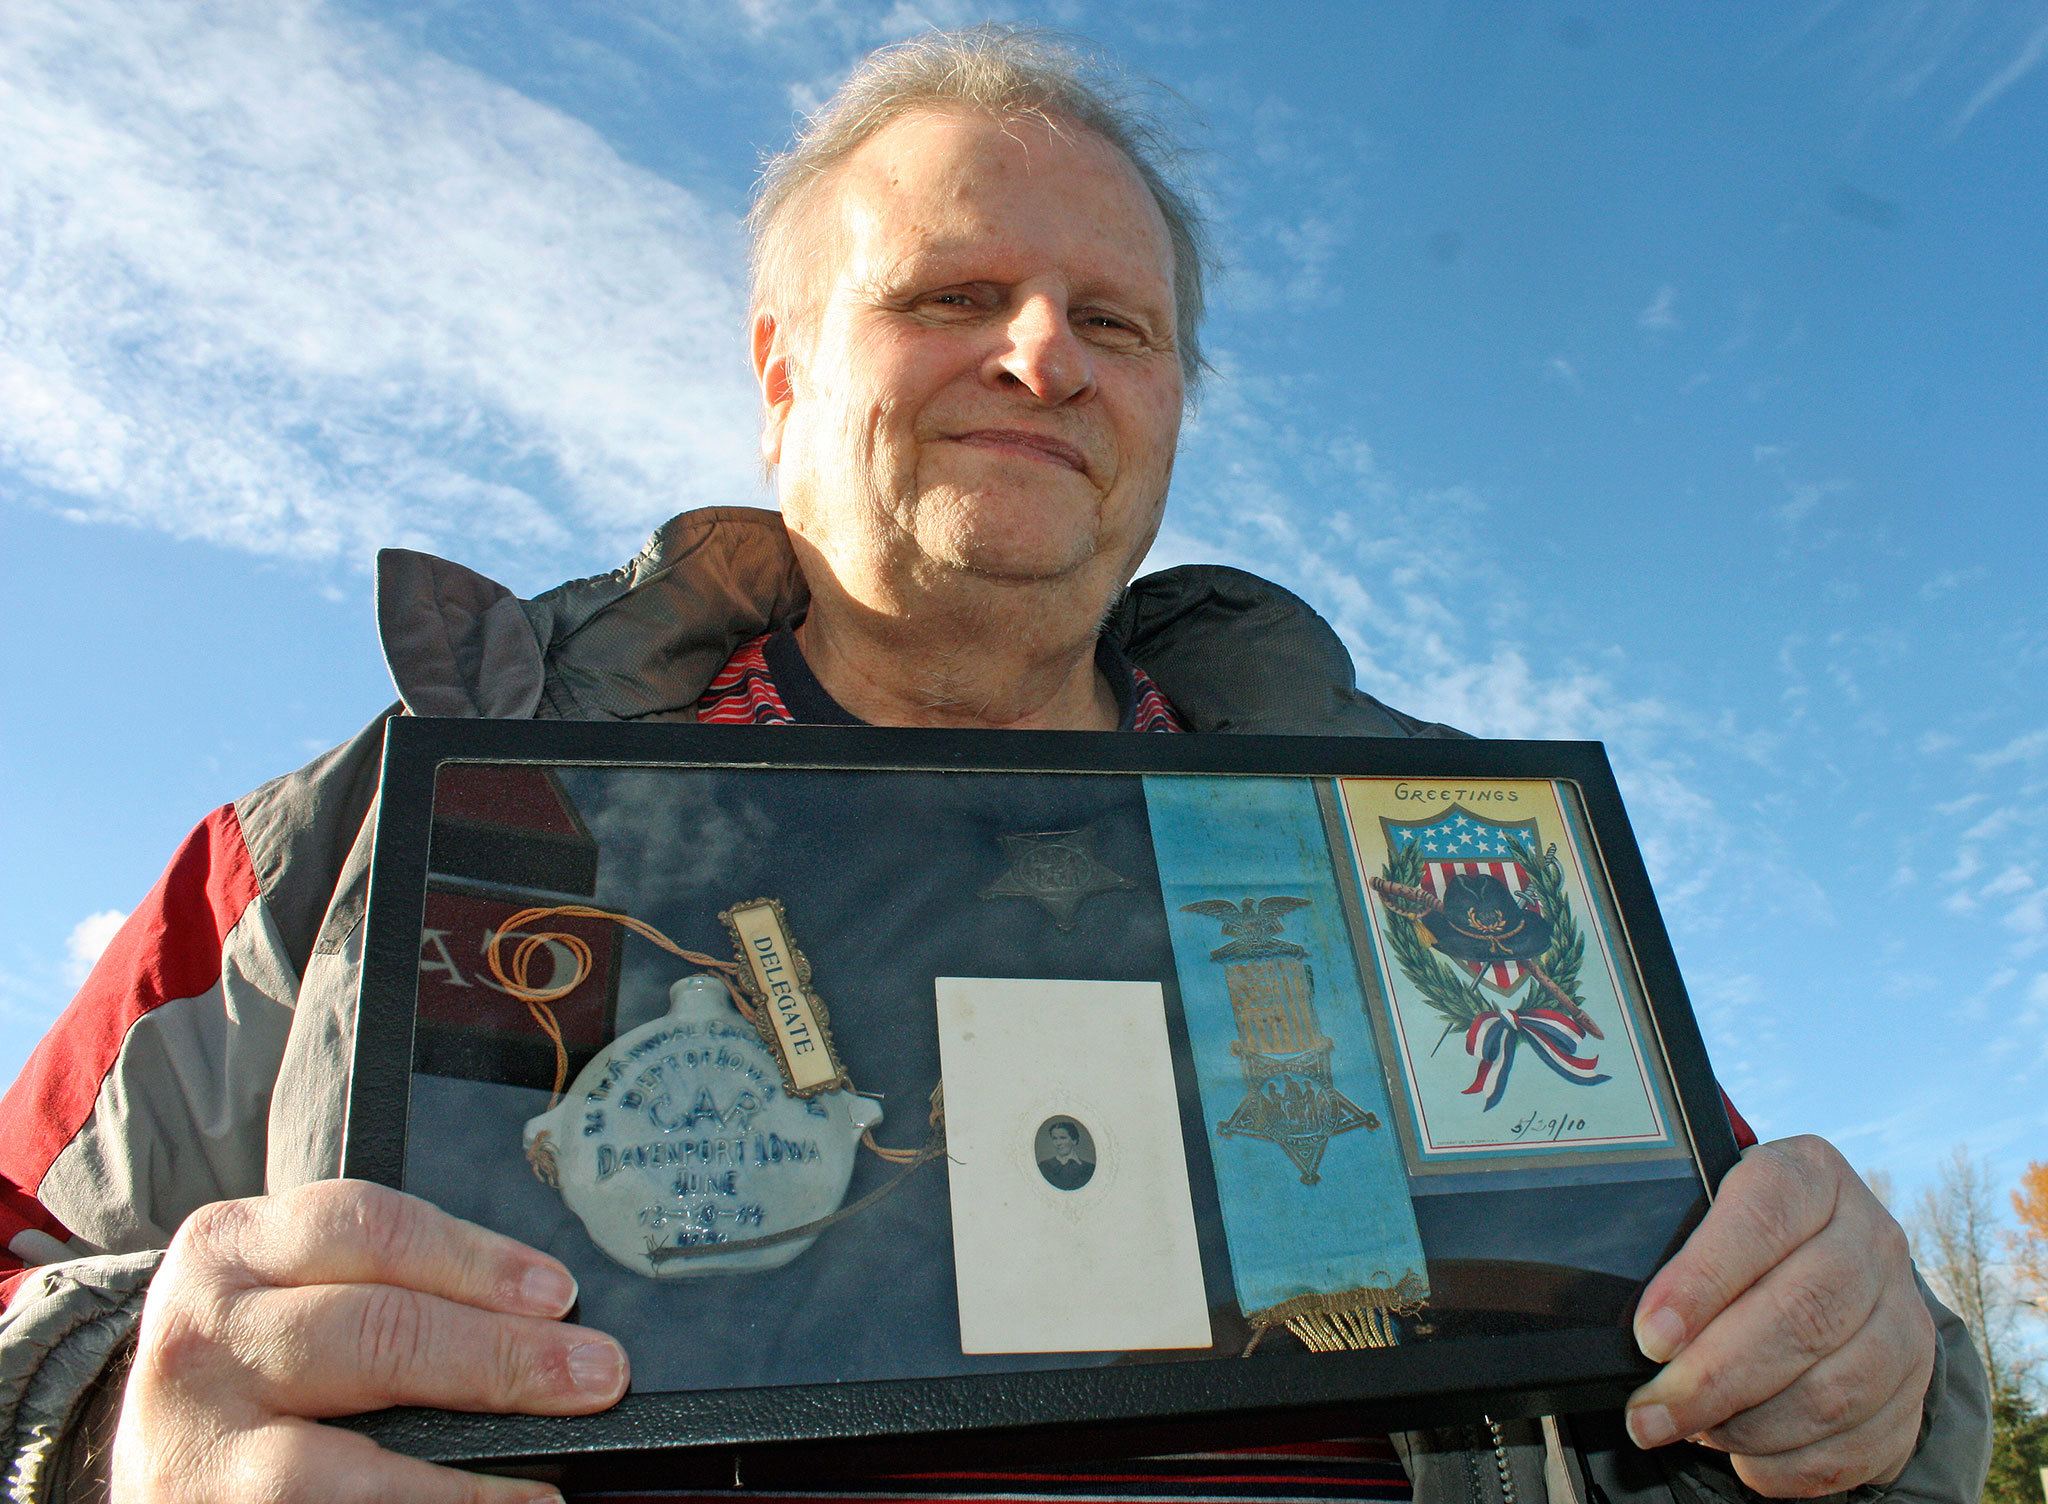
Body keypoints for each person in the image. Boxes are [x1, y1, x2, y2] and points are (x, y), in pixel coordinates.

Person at [0, 26, 1989, 1504]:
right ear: (780, 375)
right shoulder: (354, 845)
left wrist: (1884, 1382)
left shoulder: (1430, 875)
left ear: (1170, 407)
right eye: (956, 294)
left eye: (1110, 320)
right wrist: (99, 1421)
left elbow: (1754, 1337)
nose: (1041, 353)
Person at [1038, 1119, 1095, 1191]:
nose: (1058, 1143)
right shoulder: (1044, 1167)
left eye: (1063, 1138)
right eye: (1054, 1138)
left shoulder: (1089, 1168)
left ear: (1074, 1140)